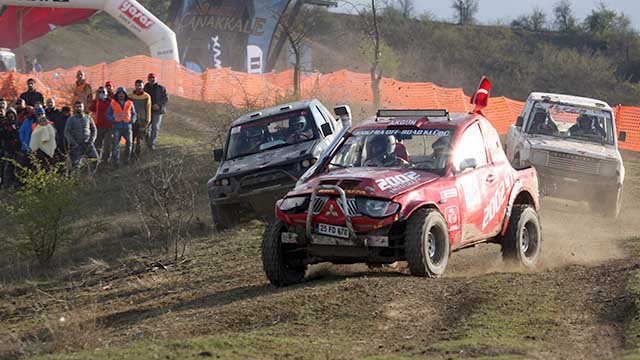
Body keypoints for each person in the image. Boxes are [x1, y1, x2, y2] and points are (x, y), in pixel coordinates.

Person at [65, 101, 99, 171]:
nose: (79, 108)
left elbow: (94, 129)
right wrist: (73, 143)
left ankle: (90, 174)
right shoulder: (71, 119)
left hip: (88, 143)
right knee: (76, 164)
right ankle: (77, 179)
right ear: (74, 108)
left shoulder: (88, 118)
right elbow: (67, 132)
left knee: (95, 159)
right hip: (77, 144)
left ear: (83, 108)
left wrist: (91, 140)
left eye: (80, 107)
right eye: (77, 107)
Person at [107, 87, 137, 165]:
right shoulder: (113, 103)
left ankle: (127, 160)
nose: (121, 95)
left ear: (125, 94)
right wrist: (113, 119)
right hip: (117, 127)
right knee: (116, 145)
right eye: (119, 93)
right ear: (117, 94)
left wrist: (132, 120)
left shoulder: (130, 102)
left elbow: (134, 114)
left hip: (128, 126)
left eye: (122, 93)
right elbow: (108, 114)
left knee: (129, 143)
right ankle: (116, 161)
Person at [143, 73, 168, 150]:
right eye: (150, 78)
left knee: (155, 128)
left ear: (156, 79)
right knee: (145, 127)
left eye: (153, 78)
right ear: (148, 79)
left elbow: (166, 98)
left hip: (158, 111)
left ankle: (151, 144)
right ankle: (148, 142)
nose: (152, 79)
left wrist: (158, 104)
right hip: (147, 110)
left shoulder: (161, 88)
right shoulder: (145, 88)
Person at [90, 87, 114, 162]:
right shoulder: (96, 102)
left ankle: (105, 160)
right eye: (99, 92)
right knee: (97, 144)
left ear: (107, 93)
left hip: (109, 126)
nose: (101, 94)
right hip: (98, 126)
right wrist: (96, 99)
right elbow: (91, 108)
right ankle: (96, 160)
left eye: (103, 92)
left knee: (107, 145)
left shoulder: (111, 102)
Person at [129, 80, 152, 158]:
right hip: (132, 120)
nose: (139, 87)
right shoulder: (130, 96)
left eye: (140, 86)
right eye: (137, 85)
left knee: (139, 139)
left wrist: (148, 120)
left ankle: (137, 156)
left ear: (143, 86)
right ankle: (130, 154)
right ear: (135, 86)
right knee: (131, 138)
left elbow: (148, 108)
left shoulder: (147, 96)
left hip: (142, 120)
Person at [0, 108, 20, 188]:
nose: (11, 116)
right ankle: (6, 184)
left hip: (17, 148)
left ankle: (14, 184)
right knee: (7, 167)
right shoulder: (4, 124)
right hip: (7, 148)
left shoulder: (18, 124)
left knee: (16, 167)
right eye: (9, 114)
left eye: (12, 114)